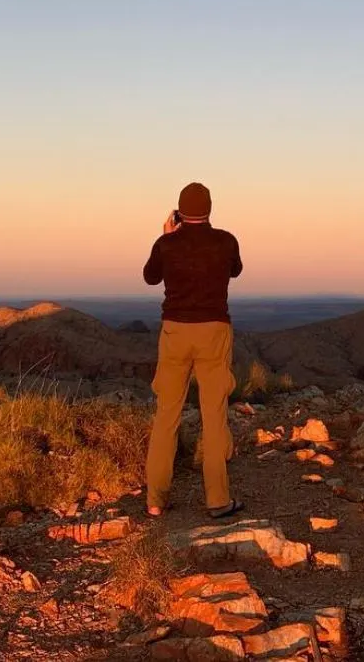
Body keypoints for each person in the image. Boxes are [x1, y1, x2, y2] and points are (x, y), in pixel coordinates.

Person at [141, 181, 244, 518]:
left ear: (179, 212)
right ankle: (217, 500)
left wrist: (168, 237)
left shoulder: (166, 244)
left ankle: (156, 500)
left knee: (166, 415)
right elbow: (236, 270)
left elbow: (150, 277)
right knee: (214, 416)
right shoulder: (226, 241)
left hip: (175, 332)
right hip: (214, 332)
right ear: (209, 209)